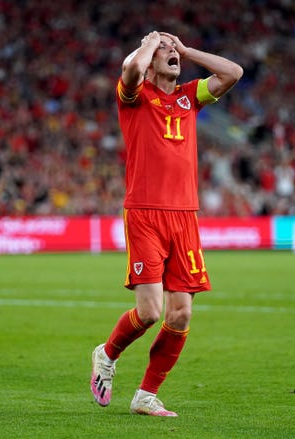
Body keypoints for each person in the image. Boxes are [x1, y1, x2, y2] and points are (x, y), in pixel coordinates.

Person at [90, 31, 243, 416]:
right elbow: (131, 70)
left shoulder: (190, 97)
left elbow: (233, 72)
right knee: (150, 312)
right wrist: (149, 42)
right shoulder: (136, 96)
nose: (172, 54)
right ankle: (106, 355)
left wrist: (187, 49)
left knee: (181, 313)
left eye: (175, 50)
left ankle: (146, 395)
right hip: (145, 212)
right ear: (150, 58)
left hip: (185, 216)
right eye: (166, 51)